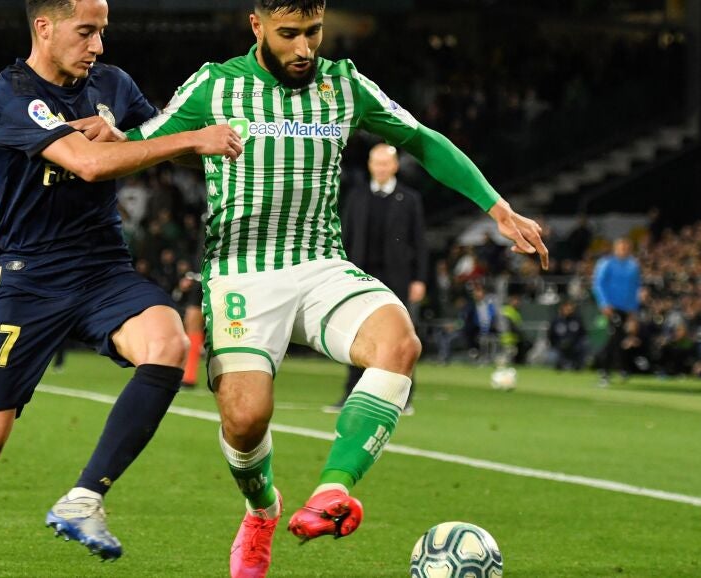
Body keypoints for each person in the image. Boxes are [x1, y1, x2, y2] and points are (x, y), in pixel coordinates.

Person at [127, 1, 548, 576]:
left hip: (320, 262)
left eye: (314, 32)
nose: (304, 48)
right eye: (289, 34)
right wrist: (113, 142)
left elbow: (424, 140)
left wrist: (497, 209)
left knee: (398, 343)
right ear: (257, 26)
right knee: (245, 420)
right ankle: (261, 510)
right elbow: (139, 143)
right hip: (241, 270)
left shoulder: (345, 85)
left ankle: (332, 490)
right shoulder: (215, 85)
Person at [0, 1, 243, 576]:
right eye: (86, 32)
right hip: (28, 279)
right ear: (44, 27)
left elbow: (174, 151)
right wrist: (185, 138)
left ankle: (85, 498)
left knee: (168, 342)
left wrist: (142, 134)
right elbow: (88, 163)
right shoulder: (11, 94)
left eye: (102, 32)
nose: (98, 47)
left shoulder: (113, 85)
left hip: (102, 268)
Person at [326, 142, 427, 414]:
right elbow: (344, 237)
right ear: (370, 165)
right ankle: (352, 392)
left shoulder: (410, 199)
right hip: (360, 276)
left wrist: (419, 279)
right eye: (377, 163)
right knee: (356, 332)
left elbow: (420, 242)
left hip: (398, 278)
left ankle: (402, 397)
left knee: (401, 335)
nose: (381, 168)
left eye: (385, 163)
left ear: (395, 166)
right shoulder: (356, 196)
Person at [592, 237, 640, 386]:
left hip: (627, 308)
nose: (624, 250)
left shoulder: (633, 266)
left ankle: (620, 367)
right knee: (615, 336)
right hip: (612, 307)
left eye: (626, 247)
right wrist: (604, 303)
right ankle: (606, 371)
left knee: (620, 338)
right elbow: (598, 284)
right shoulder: (606, 263)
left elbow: (635, 288)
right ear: (615, 249)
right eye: (621, 247)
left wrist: (633, 310)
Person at [547, 300, 587, 370]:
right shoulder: (556, 320)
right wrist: (558, 344)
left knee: (584, 345)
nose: (568, 310)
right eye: (566, 308)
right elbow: (550, 336)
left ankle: (577, 364)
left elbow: (583, 334)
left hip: (575, 346)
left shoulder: (577, 320)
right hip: (559, 347)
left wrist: (573, 342)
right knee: (552, 358)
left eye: (570, 308)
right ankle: (562, 364)